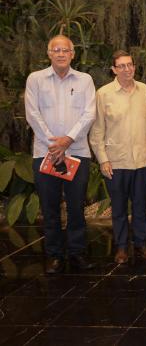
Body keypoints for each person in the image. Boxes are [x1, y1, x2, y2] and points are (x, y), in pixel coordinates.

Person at [24, 35, 96, 274]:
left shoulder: (85, 80)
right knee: (50, 206)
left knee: (77, 206)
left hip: (76, 152)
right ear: (49, 54)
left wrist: (67, 140)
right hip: (45, 153)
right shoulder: (35, 80)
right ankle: (54, 255)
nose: (61, 53)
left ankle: (77, 253)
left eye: (65, 50)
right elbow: (32, 114)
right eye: (56, 50)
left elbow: (89, 114)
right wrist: (53, 144)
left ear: (73, 54)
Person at [89, 50, 146, 264]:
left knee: (140, 206)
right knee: (118, 207)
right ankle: (120, 247)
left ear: (134, 67)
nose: (127, 69)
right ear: (114, 69)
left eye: (130, 65)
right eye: (122, 66)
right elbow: (97, 131)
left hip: (142, 160)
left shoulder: (145, 90)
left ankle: (141, 244)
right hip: (115, 161)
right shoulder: (104, 94)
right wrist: (103, 159)